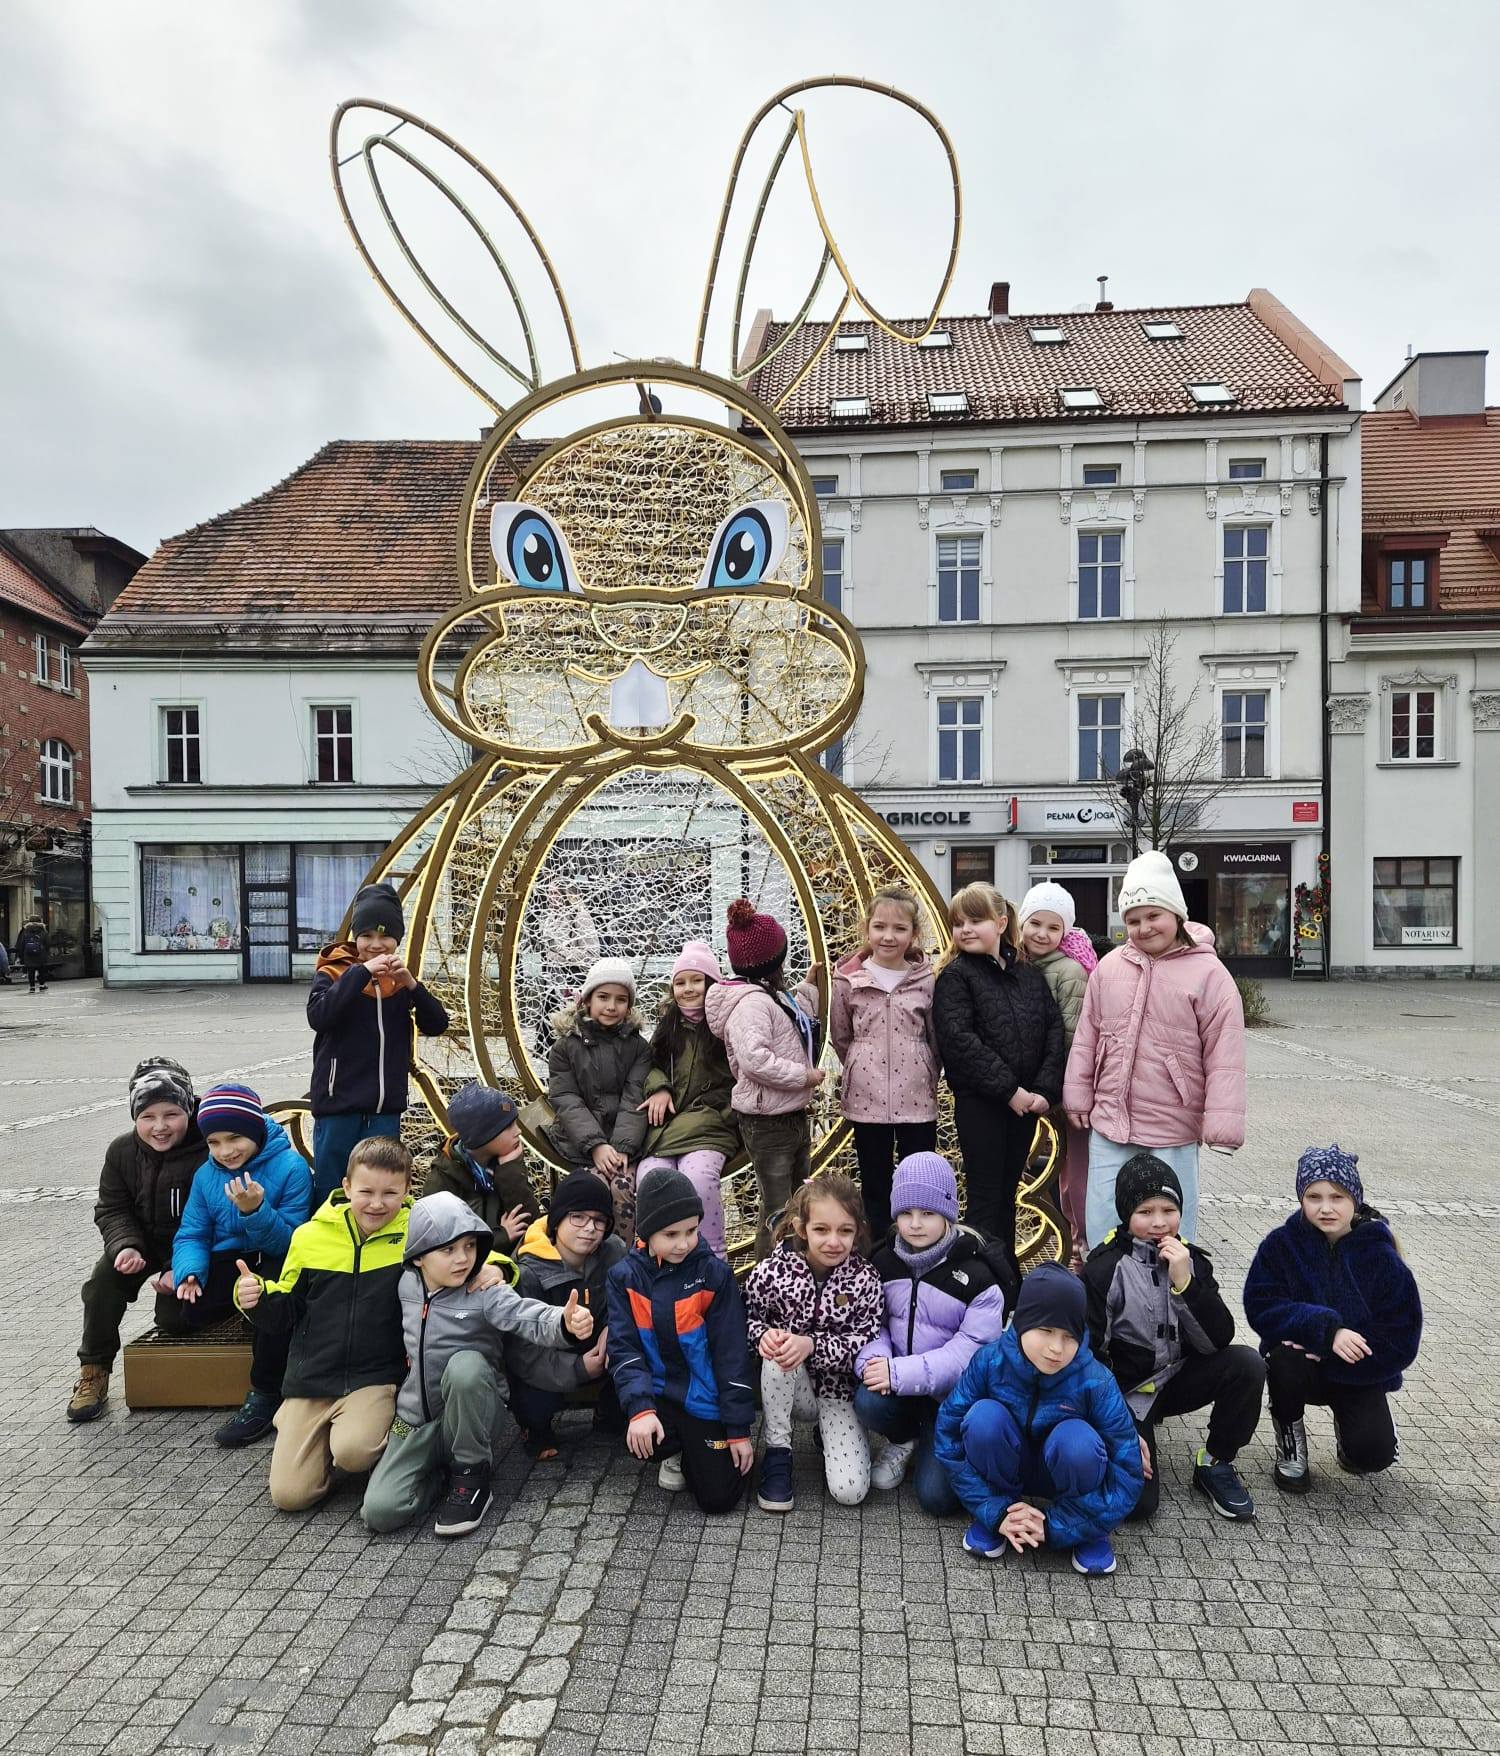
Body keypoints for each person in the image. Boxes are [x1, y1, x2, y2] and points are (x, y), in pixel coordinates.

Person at [361, 1191, 594, 1537]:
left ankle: (472, 1478)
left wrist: (564, 1323)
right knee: (380, 1513)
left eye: (470, 1247)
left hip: (474, 1416)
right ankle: (440, 1476)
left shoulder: (484, 1291)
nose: (462, 1259)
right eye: (449, 1249)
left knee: (465, 1366)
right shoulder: (405, 1283)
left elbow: (525, 1315)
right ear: (419, 1257)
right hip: (416, 1421)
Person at [1065, 849, 1246, 1248]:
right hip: (1111, 1119)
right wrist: (1078, 1095)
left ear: (1176, 914)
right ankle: (1104, 1295)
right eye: (1133, 920)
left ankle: (1174, 1297)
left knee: (1171, 1227)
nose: (1144, 927)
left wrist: (1223, 1120)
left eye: (1153, 916)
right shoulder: (1109, 968)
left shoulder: (1210, 974)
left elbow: (1225, 1053)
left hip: (1172, 1123)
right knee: (1103, 1220)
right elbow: (1087, 1037)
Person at [237, 1135, 420, 1512]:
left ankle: (360, 1436)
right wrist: (252, 1297)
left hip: (373, 1377)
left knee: (354, 1453)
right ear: (347, 1186)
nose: (376, 1203)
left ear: (406, 1190)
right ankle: (297, 1422)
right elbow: (285, 1309)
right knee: (290, 1497)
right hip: (312, 1378)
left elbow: (468, 1254)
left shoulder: (417, 1233)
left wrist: (497, 1270)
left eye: (390, 1192)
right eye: (366, 1190)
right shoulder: (309, 1237)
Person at [1083, 1154, 1263, 1523]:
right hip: (1127, 1391)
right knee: (1138, 1506)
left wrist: (1186, 1283)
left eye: (1169, 1209)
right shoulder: (1104, 1268)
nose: (1159, 1222)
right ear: (1125, 1214)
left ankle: (1215, 1461)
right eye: (1145, 1211)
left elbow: (1217, 1341)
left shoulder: (1192, 1261)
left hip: (1177, 1379)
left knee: (1247, 1363)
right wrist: (1115, 1423)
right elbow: (1089, 1355)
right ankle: (1115, 1444)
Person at [935, 1264, 1144, 1577]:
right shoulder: (990, 1361)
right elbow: (947, 1436)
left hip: (1064, 1475)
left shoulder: (1096, 1380)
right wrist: (994, 1511)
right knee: (982, 1419)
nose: (1056, 1348)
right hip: (1007, 1468)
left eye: (1069, 1336)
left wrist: (1057, 1525)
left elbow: (1128, 1471)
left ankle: (1087, 1530)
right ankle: (1004, 1511)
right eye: (1045, 1331)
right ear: (1022, 1323)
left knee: (1077, 1440)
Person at [1244, 1145, 1422, 1493]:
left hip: (1357, 1369)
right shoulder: (1281, 1245)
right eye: (1314, 1197)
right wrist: (1324, 1330)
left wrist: (1336, 1346)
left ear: (1354, 1199)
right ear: (1301, 1199)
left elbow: (1403, 1334)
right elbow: (1260, 1303)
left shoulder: (1381, 1255)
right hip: (1301, 1367)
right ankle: (1290, 1443)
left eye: (1337, 1197)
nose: (1325, 1208)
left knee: (1372, 1456)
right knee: (1284, 1360)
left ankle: (1359, 1433)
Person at [853, 1153, 1006, 1513]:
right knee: (868, 1398)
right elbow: (872, 1322)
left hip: (951, 1398)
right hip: (902, 1387)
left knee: (937, 1500)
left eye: (928, 1213)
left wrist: (900, 1373)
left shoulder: (978, 1273)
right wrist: (876, 1361)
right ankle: (903, 1438)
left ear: (948, 1214)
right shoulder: (883, 1262)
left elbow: (969, 1352)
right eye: (906, 1214)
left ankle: (942, 1439)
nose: (915, 1224)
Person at [932, 882, 1065, 1278]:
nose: (965, 930)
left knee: (1008, 1196)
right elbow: (960, 1042)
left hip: (1024, 1107)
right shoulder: (956, 977)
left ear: (1001, 922)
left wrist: (1042, 1090)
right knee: (986, 1198)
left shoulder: (1026, 975)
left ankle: (1007, 1279)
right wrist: (1010, 1091)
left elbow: (1053, 1031)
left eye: (976, 920)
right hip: (984, 1106)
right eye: (958, 923)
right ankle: (984, 1283)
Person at [169, 1084, 313, 1446]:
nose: (226, 1151)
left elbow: (292, 1242)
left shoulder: (291, 1167)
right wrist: (189, 1270)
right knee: (183, 1313)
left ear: (255, 1130)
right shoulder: (206, 1175)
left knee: (270, 1307)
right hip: (232, 1259)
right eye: (214, 1142)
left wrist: (254, 1210)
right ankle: (248, 1315)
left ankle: (265, 1392)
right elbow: (192, 1232)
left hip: (276, 1258)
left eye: (235, 1137)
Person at [607, 1167, 755, 1513]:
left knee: (720, 1499)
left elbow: (731, 1354)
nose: (684, 1243)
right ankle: (671, 1448)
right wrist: (640, 1409)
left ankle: (696, 1450)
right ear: (646, 1233)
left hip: (704, 1399)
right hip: (658, 1396)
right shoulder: (623, 1277)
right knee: (639, 1431)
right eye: (671, 1234)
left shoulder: (715, 1275)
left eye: (691, 1230)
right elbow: (624, 1348)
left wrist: (738, 1429)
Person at [67, 1057, 204, 1423]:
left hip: (192, 1249)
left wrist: (183, 1267)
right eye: (148, 1116)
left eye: (171, 1114)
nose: (159, 1127)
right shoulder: (121, 1151)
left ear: (188, 1109)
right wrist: (125, 1245)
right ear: (134, 1117)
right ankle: (93, 1371)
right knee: (101, 1284)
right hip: (140, 1244)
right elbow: (111, 1208)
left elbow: (217, 1219)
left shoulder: (209, 1148)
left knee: (175, 1319)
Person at [306, 880, 450, 1203]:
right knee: (333, 1191)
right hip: (338, 1108)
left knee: (379, 1193)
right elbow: (319, 1015)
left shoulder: (398, 980)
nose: (376, 945)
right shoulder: (333, 972)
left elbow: (437, 1024)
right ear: (355, 937)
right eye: (367, 936)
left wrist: (412, 986)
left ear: (397, 939)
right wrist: (360, 974)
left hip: (385, 1110)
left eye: (385, 936)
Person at [745, 1175, 882, 1513]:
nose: (833, 1241)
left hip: (839, 1391)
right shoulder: (771, 1272)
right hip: (791, 1387)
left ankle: (828, 1436)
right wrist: (762, 1335)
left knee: (849, 1492)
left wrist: (813, 1345)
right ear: (801, 1228)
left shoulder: (865, 1278)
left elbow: (869, 1338)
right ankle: (778, 1452)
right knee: (780, 1350)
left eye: (845, 1231)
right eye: (821, 1230)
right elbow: (742, 1318)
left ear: (858, 1231)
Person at [704, 898, 824, 1261]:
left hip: (790, 1115)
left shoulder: (770, 995)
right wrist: (803, 1076)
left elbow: (791, 1023)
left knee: (798, 1200)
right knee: (777, 1210)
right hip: (767, 1123)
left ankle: (794, 1272)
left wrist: (809, 988)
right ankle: (767, 1280)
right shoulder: (751, 1004)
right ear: (776, 958)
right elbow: (755, 1060)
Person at [829, 883, 939, 1241]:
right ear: (867, 929)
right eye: (879, 927)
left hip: (917, 1099)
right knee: (874, 1182)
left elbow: (935, 1037)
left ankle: (918, 1248)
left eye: (899, 928)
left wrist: (925, 1069)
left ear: (913, 934)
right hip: (866, 1099)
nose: (888, 937)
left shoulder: (927, 980)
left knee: (918, 1181)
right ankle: (879, 1254)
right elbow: (842, 1035)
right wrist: (863, 1064)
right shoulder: (847, 979)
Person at [505, 1170, 624, 1459]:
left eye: (599, 1220)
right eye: (578, 1217)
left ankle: (608, 1412)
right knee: (535, 1401)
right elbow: (522, 1354)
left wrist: (613, 1328)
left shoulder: (614, 1252)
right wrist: (580, 1367)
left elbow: (627, 1302)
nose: (590, 1228)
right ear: (557, 1221)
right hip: (549, 1360)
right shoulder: (528, 1271)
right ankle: (535, 1428)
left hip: (601, 1350)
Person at [635, 940, 740, 1260]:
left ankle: (712, 1258)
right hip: (668, 1125)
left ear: (712, 983)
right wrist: (660, 1088)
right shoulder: (670, 1026)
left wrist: (725, 1112)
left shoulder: (726, 1022)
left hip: (711, 1123)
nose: (688, 989)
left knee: (698, 1179)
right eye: (680, 983)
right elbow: (650, 1065)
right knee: (650, 1179)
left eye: (697, 980)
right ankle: (656, 1260)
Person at [546, 956, 652, 1244]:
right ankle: (585, 1257)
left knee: (622, 1187)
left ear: (629, 1006)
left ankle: (623, 1256)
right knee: (591, 1192)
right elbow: (566, 1098)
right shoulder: (565, 1046)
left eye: (620, 1000)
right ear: (587, 1000)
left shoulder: (638, 1048)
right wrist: (595, 1145)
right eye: (603, 997)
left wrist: (620, 1146)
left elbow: (634, 1097)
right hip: (581, 1144)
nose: (611, 1006)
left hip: (623, 1146)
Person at [1016, 881, 1092, 1268]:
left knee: (1070, 1175)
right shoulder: (1015, 964)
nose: (1042, 934)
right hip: (1028, 1092)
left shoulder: (1068, 972)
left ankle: (1078, 1248)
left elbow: (1072, 1037)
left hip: (1060, 1094)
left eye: (1053, 927)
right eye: (1035, 924)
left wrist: (1057, 1089)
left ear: (1065, 933)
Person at [423, 1082, 538, 1246]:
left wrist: (510, 1171)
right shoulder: (443, 1179)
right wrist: (501, 1237)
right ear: (484, 1137)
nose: (518, 1131)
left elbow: (529, 1222)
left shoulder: (507, 1161)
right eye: (509, 1127)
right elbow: (440, 1243)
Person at [16, 914, 48, 992]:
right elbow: (47, 943)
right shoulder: (43, 930)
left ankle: (32, 987)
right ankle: (42, 985)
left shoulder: (26, 930)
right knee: (41, 970)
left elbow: (21, 944)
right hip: (40, 954)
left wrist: (21, 956)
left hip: (28, 954)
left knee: (31, 971)